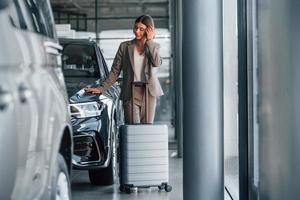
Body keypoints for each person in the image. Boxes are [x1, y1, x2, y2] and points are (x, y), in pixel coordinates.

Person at [85, 15, 163, 124]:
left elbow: (156, 63)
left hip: (149, 92)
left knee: (147, 128)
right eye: (135, 28)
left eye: (141, 29)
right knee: (132, 128)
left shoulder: (153, 46)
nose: (137, 31)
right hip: (130, 91)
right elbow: (115, 71)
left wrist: (150, 42)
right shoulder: (125, 47)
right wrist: (101, 89)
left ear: (149, 30)